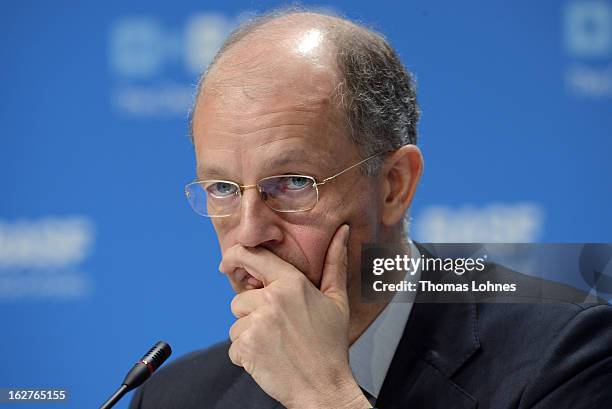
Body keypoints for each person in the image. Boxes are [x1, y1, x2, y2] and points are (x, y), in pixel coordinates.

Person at [129, 9, 612, 409]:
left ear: (393, 186)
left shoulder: (570, 356)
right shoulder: (173, 397)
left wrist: (323, 396)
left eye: (294, 183)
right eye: (222, 188)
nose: (250, 233)